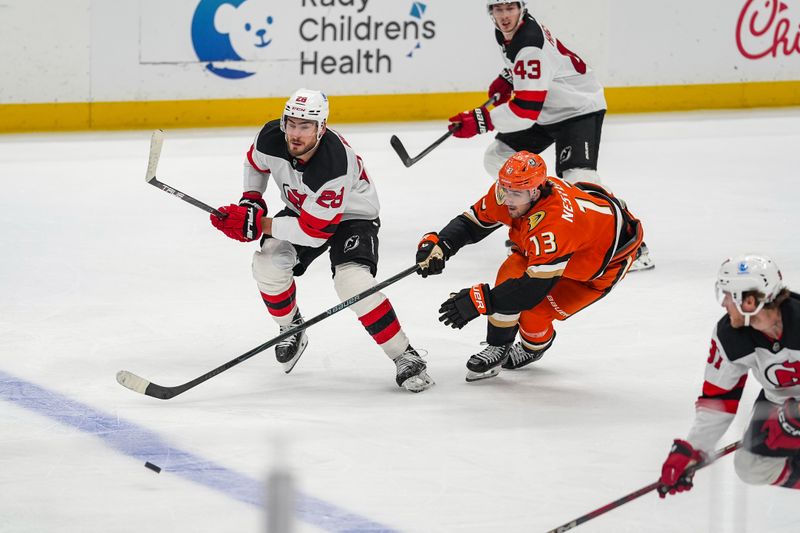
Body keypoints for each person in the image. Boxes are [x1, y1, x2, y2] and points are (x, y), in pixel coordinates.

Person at [209, 88, 434, 393]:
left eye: (305, 126)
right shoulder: (270, 137)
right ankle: (291, 326)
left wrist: (259, 224)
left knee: (352, 282)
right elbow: (255, 163)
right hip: (303, 208)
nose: (295, 134)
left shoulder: (333, 164)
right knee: (268, 263)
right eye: (291, 123)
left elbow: (313, 233)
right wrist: (251, 201)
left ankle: (404, 355)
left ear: (321, 128)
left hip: (352, 217)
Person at [447, 0, 653, 271]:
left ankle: (628, 242)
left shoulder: (529, 43)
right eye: (499, 9)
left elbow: (525, 109)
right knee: (498, 158)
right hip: (546, 110)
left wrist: (481, 120)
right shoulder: (507, 34)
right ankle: (538, 223)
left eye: (510, 8)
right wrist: (508, 79)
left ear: (522, 8)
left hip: (577, 109)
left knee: (580, 181)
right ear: (491, 13)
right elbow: (528, 72)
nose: (505, 15)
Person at [414, 150, 644, 381]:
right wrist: (442, 244)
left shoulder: (555, 225)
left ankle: (533, 348)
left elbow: (532, 291)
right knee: (508, 275)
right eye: (505, 189)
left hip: (596, 267)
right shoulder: (509, 191)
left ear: (535, 191)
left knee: (535, 312)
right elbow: (473, 223)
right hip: (563, 242)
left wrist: (479, 302)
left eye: (516, 193)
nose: (508, 199)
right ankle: (498, 347)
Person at [658, 255, 800, 497]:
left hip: (791, 410)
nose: (723, 303)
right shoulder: (729, 337)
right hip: (780, 404)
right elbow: (719, 399)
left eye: (728, 295)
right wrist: (695, 449)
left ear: (750, 301)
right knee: (750, 466)